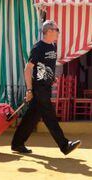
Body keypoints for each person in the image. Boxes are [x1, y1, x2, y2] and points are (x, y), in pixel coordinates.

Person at [11, 20, 81, 155]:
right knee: (49, 116)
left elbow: (47, 66)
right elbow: (28, 69)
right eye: (57, 30)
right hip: (39, 88)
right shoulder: (38, 48)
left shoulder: (53, 47)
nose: (59, 33)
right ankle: (64, 145)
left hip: (46, 87)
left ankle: (17, 143)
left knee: (31, 117)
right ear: (49, 31)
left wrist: (51, 77)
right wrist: (29, 89)